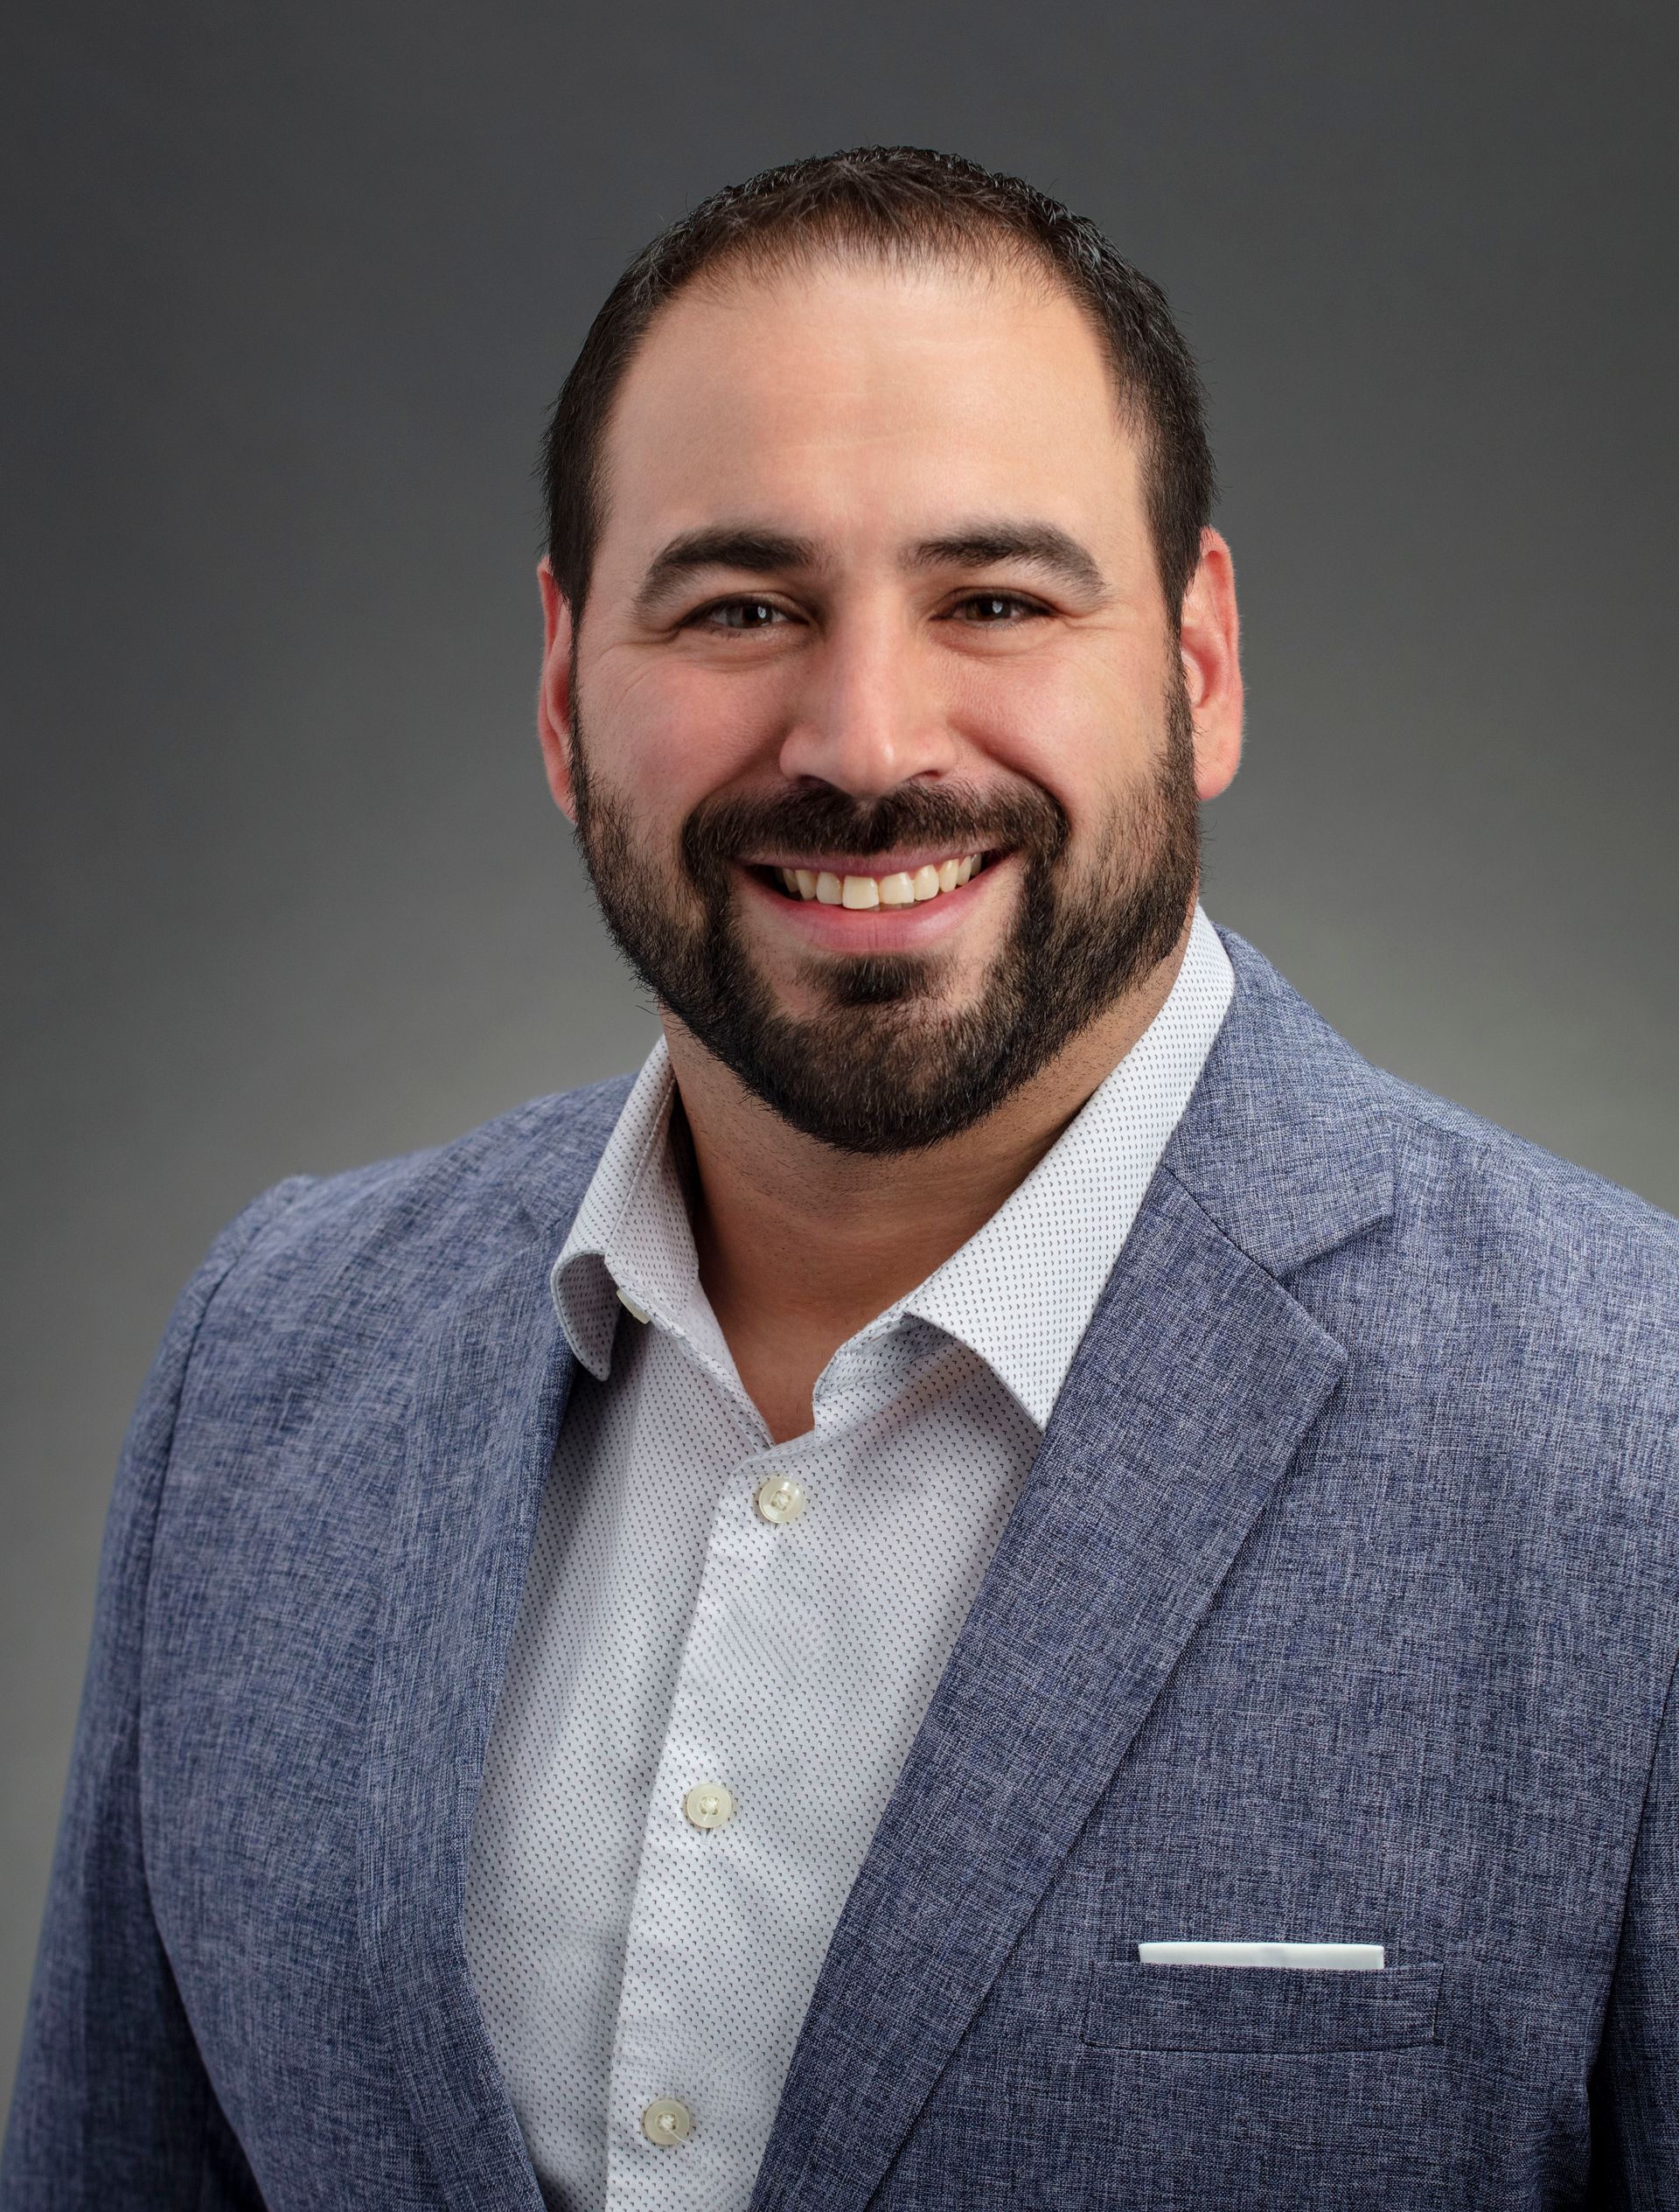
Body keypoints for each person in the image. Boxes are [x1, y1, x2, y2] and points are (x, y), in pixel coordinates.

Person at [3, 145, 1675, 2212]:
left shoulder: (1641, 1445)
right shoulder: (268, 1364)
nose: (865, 736)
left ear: (1201, 662)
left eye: (993, 597)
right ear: (559, 689)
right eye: (739, 605)